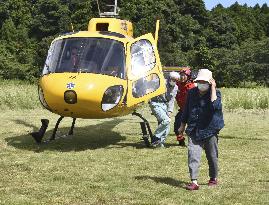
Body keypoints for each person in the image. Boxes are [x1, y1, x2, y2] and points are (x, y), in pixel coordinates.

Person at [178, 69, 224, 190]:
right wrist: (182, 125)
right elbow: (186, 109)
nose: (201, 84)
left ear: (209, 82)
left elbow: (215, 106)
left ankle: (213, 178)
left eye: (204, 82)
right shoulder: (191, 92)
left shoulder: (216, 93)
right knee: (193, 154)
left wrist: (213, 88)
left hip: (210, 129)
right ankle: (194, 182)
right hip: (194, 128)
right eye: (199, 81)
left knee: (212, 156)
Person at [149, 71, 180, 148]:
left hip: (165, 105)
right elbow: (147, 84)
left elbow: (172, 100)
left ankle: (160, 143)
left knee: (166, 125)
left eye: (176, 80)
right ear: (169, 78)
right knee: (166, 120)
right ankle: (155, 137)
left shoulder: (176, 87)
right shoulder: (160, 81)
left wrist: (170, 111)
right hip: (155, 103)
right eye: (173, 79)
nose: (174, 81)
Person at [174, 67, 196, 146]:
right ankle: (181, 142)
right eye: (181, 75)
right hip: (183, 110)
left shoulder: (192, 87)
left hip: (192, 110)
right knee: (177, 126)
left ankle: (195, 143)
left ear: (188, 77)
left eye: (184, 75)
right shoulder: (177, 85)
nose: (182, 77)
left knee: (192, 128)